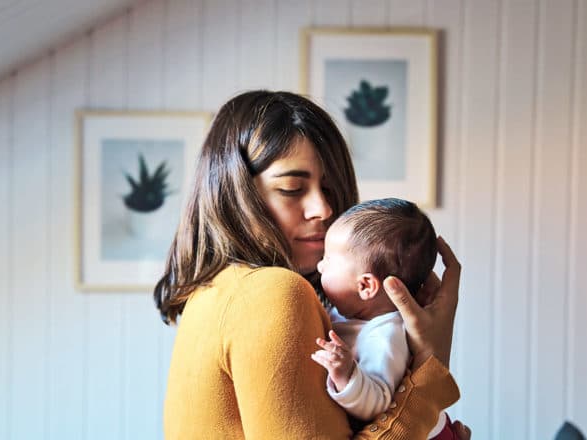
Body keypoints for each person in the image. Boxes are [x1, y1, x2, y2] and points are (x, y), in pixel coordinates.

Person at [155, 90, 470, 439]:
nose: (323, 209)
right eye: (291, 188)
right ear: (235, 193)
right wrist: (429, 369)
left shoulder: (214, 293)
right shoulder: (271, 292)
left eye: (331, 189)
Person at [312, 198, 459, 439]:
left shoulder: (384, 335)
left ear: (366, 286)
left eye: (328, 261)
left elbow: (378, 403)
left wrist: (347, 374)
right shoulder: (351, 313)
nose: (319, 266)